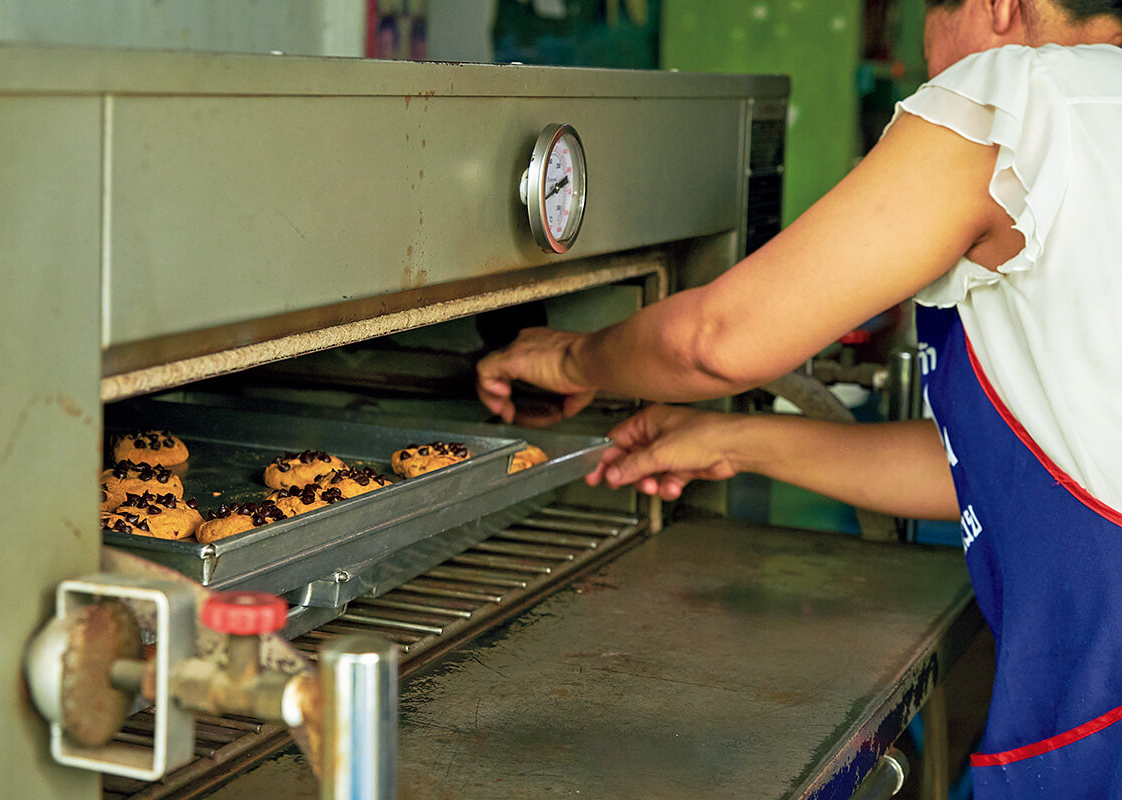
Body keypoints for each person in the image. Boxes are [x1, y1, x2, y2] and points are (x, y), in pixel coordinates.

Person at [476, 1, 1122, 796]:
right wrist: (732, 443)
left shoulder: (1023, 95)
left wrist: (573, 358)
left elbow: (715, 340)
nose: (928, 65)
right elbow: (1018, 468)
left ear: (998, 5)